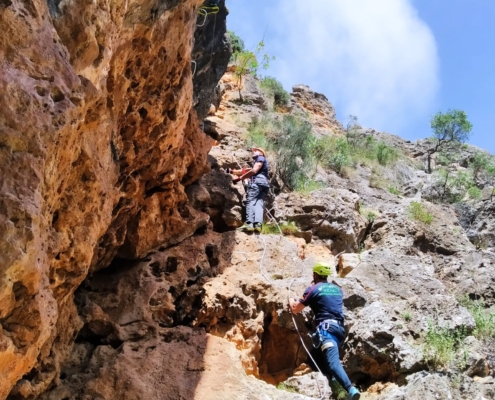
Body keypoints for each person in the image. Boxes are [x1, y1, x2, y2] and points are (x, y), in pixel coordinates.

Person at [289, 262, 360, 400]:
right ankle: (334, 385)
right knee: (316, 357)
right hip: (339, 330)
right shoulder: (337, 289)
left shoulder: (314, 289)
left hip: (326, 330)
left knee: (333, 363)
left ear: (315, 274)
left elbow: (296, 309)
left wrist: (292, 299)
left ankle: (350, 389)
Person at [228, 147, 270, 233]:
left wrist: (239, 179)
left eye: (256, 151)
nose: (253, 152)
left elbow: (254, 171)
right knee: (259, 203)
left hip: (257, 182)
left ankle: (249, 224)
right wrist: (233, 172)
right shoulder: (262, 163)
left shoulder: (260, 158)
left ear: (261, 153)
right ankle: (258, 225)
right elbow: (248, 171)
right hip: (264, 184)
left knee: (250, 201)